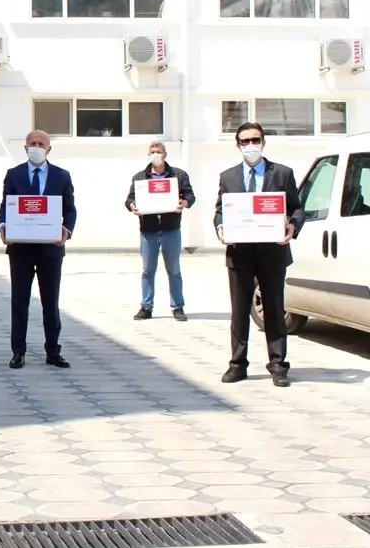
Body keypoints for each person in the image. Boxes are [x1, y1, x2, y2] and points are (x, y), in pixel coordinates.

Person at [214, 122, 306, 387]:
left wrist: (293, 225)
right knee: (239, 310)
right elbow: (220, 209)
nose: (250, 145)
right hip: (240, 253)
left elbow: (297, 209)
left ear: (263, 142)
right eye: (245, 141)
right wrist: (220, 225)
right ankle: (237, 364)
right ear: (238, 145)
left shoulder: (282, 173)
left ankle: (278, 365)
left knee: (275, 309)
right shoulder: (228, 176)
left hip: (272, 252)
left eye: (255, 140)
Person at [0, 129, 77, 370]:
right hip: (21, 248)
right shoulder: (14, 174)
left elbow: (71, 209)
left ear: (49, 149)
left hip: (50, 249)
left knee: (50, 301)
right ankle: (18, 352)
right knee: (19, 301)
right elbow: (6, 205)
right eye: (32, 143)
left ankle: (53, 350)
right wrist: (2, 225)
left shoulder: (62, 176)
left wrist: (66, 230)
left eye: (41, 143)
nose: (36, 146)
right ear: (25, 147)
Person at [125, 140, 196, 322]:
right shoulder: (140, 177)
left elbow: (190, 195)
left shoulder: (178, 175)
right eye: (152, 151)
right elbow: (129, 199)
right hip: (148, 231)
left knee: (174, 270)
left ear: (165, 155)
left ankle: (178, 306)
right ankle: (146, 307)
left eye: (158, 151)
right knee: (148, 270)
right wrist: (132, 205)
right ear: (148, 155)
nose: (155, 154)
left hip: (170, 230)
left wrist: (184, 203)